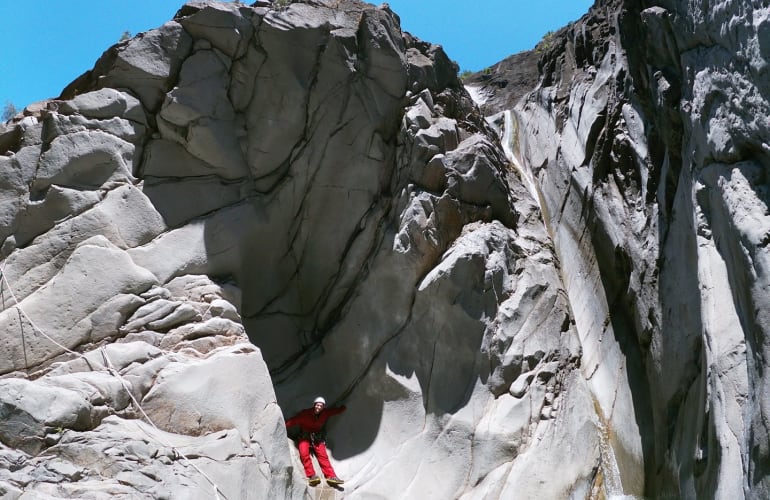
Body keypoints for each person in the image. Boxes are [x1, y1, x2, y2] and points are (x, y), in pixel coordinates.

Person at [285, 397, 346, 486]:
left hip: (317, 437)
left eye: (321, 406)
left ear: (323, 407)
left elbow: (333, 411)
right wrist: (283, 425)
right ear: (314, 405)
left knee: (323, 456)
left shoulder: (325, 413)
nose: (319, 407)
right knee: (304, 454)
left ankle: (331, 476)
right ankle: (312, 476)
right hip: (304, 437)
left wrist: (342, 408)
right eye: (317, 405)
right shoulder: (305, 414)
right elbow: (293, 421)